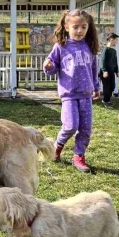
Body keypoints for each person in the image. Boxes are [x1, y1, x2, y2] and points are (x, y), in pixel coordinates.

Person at [43, 9, 100, 173]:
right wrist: (48, 66)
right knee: (70, 126)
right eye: (76, 27)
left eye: (83, 27)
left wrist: (96, 87)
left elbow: (94, 68)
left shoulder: (90, 46)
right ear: (67, 27)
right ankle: (56, 148)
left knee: (85, 128)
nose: (80, 31)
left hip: (86, 95)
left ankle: (79, 156)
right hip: (69, 94)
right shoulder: (61, 46)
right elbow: (52, 66)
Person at [99, 33, 119, 108]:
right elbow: (102, 61)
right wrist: (104, 70)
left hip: (111, 72)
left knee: (112, 86)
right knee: (106, 87)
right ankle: (106, 100)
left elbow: (115, 62)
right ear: (111, 40)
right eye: (116, 40)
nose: (116, 42)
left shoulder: (114, 51)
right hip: (105, 72)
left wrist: (116, 71)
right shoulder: (105, 49)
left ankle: (108, 99)